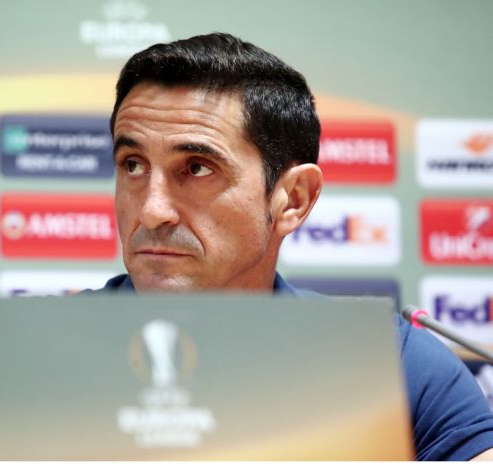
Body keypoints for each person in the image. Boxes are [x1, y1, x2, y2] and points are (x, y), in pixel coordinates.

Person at [94, 32, 493, 460]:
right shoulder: (42, 357)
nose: (152, 211)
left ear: (294, 199)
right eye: (132, 165)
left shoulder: (393, 365)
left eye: (196, 168)